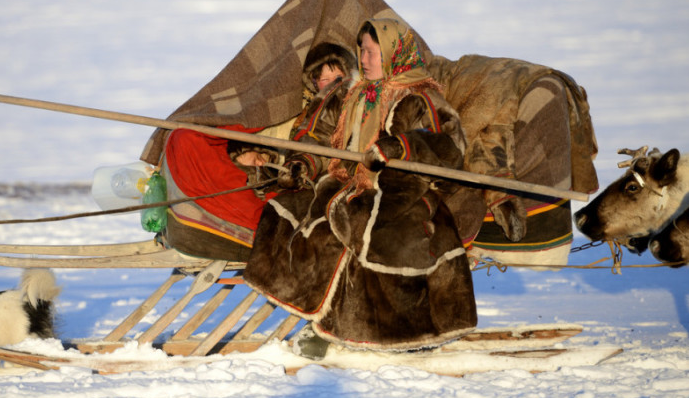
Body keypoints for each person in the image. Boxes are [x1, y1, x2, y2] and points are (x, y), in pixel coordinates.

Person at [244, 18, 478, 355]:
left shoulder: (421, 98)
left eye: (371, 52)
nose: (364, 59)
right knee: (291, 214)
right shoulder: (352, 95)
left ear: (391, 53)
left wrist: (397, 148)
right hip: (348, 185)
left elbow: (449, 148)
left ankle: (386, 334)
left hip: (403, 193)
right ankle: (322, 322)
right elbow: (322, 139)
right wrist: (304, 163)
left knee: (367, 231)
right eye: (362, 51)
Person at [159, 43, 357, 262]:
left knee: (187, 141)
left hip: (300, 184)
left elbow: (319, 145)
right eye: (324, 79)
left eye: (338, 77)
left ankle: (257, 228)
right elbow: (264, 133)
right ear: (313, 81)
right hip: (265, 175)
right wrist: (247, 153)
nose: (331, 85)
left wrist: (299, 166)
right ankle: (202, 219)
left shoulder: (347, 108)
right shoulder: (294, 105)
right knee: (186, 139)